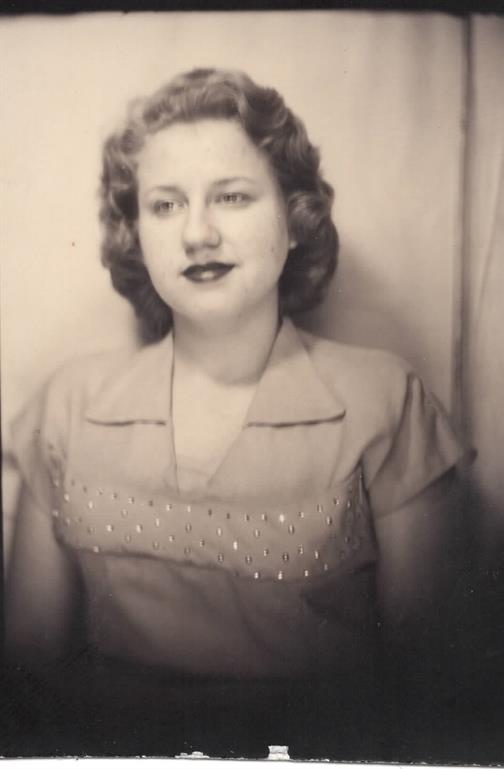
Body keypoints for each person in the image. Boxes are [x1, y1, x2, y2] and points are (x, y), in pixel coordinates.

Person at [5, 68, 469, 758]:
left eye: (231, 197)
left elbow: (432, 690)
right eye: (164, 205)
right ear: (135, 233)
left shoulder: (384, 399)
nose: (197, 233)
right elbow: (24, 678)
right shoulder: (67, 405)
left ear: (294, 218)